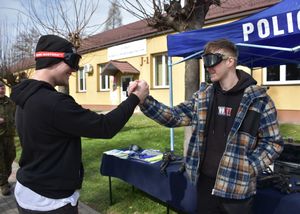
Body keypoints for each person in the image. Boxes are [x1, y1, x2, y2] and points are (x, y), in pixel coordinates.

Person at [128, 39, 284, 214]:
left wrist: (249, 167)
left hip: (237, 189)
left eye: (212, 60)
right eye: (205, 61)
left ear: (230, 61)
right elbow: (174, 116)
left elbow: (273, 143)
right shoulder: (204, 97)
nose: (208, 67)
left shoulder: (259, 100)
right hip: (205, 184)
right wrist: (144, 100)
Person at [10, 34, 149, 213]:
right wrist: (135, 98)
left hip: (29, 191)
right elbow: (104, 126)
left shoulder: (26, 95)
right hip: (50, 201)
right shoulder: (53, 102)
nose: (74, 70)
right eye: (72, 61)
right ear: (54, 59)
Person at [0, 81, 16, 196]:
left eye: (3, 87)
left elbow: (16, 116)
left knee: (10, 157)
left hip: (9, 136)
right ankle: (3, 184)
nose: (2, 89)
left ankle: (5, 178)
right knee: (0, 161)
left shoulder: (11, 102)